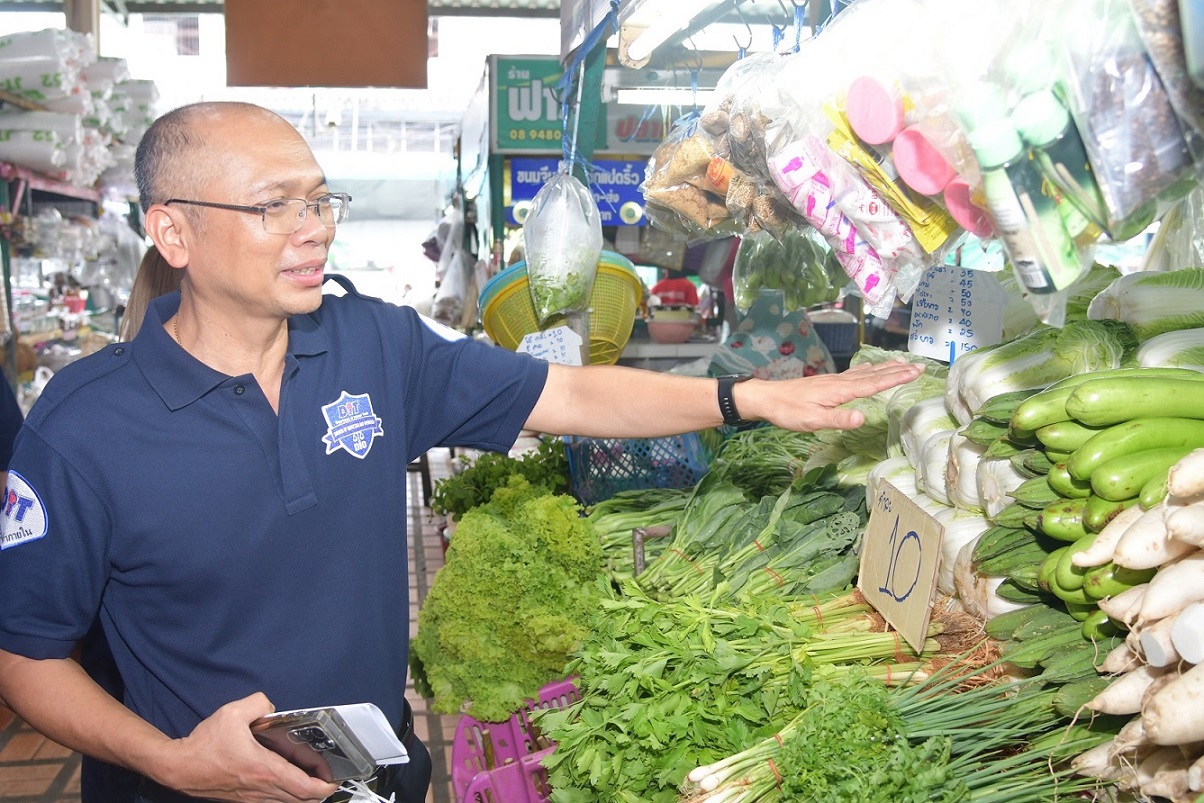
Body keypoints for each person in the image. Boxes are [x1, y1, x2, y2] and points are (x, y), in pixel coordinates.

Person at [0, 101, 924, 803]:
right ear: (173, 230)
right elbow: (25, 656)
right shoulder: (86, 426)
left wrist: (745, 397)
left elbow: (561, 392)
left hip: (378, 773)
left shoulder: (373, 344)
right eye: (273, 206)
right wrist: (172, 760)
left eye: (321, 200)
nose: (314, 227)